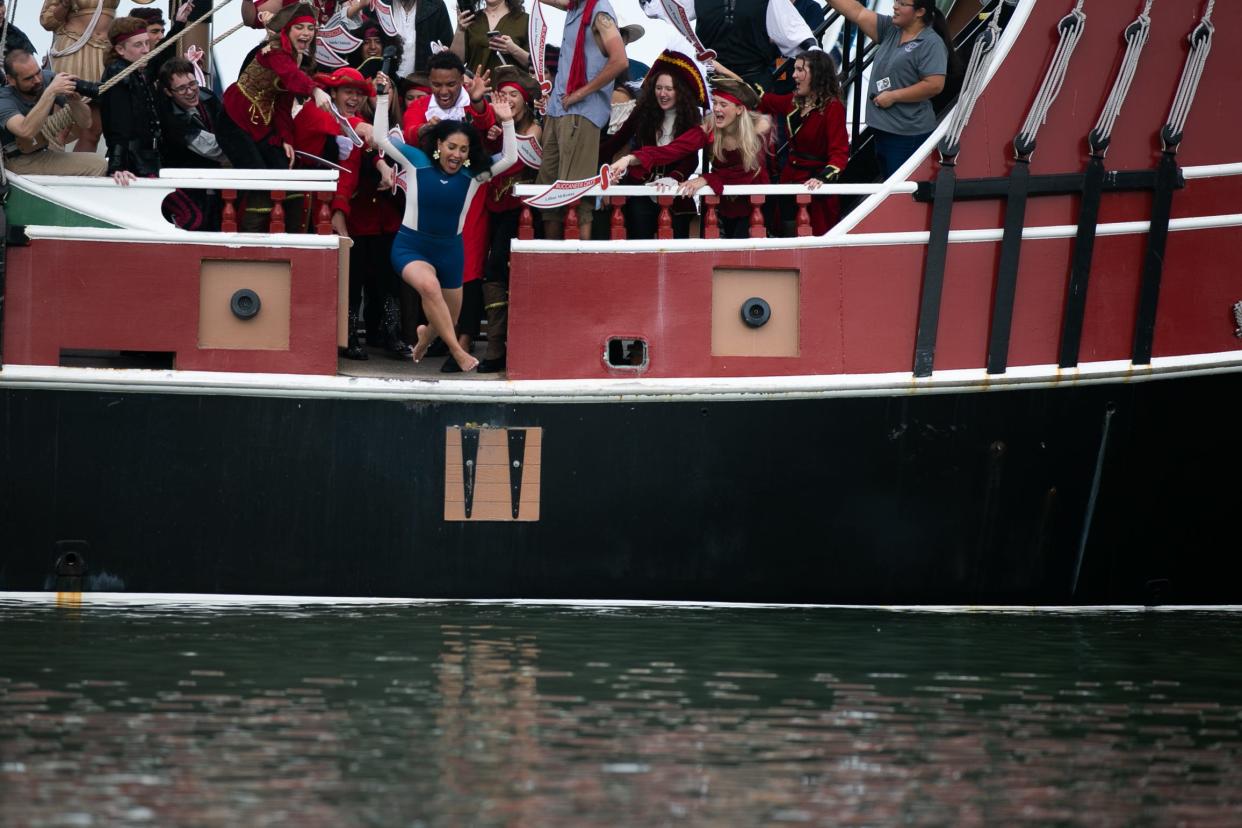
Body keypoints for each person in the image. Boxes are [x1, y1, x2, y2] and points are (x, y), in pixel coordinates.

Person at [371, 70, 518, 373]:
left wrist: (507, 121)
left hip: (451, 251)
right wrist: (383, 98)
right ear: (438, 145)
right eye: (451, 147)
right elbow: (382, 139)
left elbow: (509, 158)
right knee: (429, 287)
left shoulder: (473, 175)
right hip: (411, 246)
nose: (456, 154)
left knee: (447, 319)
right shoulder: (417, 162)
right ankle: (457, 351)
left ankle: (426, 336)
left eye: (463, 150)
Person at [219, 1, 331, 230]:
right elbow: (290, 76)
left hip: (260, 121)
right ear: (287, 30)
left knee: (286, 174)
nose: (306, 33)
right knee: (259, 181)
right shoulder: (274, 50)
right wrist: (315, 90)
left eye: (310, 28)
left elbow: (282, 106)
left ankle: (289, 240)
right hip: (233, 120)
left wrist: (287, 139)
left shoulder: (297, 58)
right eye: (300, 28)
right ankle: (251, 243)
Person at [534, 0, 629, 241]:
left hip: (581, 111)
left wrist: (580, 93)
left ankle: (577, 260)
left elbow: (620, 60)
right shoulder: (574, 7)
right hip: (558, 111)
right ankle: (552, 259)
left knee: (576, 193)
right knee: (549, 192)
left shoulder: (599, 11)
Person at [824, 0, 948, 178]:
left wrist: (894, 96)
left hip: (906, 135)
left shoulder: (931, 43)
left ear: (920, 12)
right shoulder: (891, 29)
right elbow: (857, 12)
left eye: (902, 3)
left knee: (899, 190)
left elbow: (934, 85)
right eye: (896, 1)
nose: (895, 6)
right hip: (884, 131)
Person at [477, 65, 541, 373]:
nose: (508, 99)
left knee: (505, 272)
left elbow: (522, 157)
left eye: (514, 94)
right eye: (503, 95)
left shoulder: (535, 129)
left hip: (524, 213)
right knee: (489, 272)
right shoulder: (498, 126)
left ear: (525, 100)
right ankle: (494, 344)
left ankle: (501, 346)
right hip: (493, 209)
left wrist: (505, 128)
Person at [605, 49, 708, 240]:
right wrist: (598, 167)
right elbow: (616, 142)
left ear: (680, 91)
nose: (663, 93)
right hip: (642, 189)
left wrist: (674, 178)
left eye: (669, 89)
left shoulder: (691, 120)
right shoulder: (642, 113)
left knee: (676, 250)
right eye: (658, 88)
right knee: (638, 243)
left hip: (676, 193)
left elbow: (690, 158)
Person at [759, 50, 848, 235]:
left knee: (812, 235)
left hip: (814, 185)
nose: (794, 75)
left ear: (817, 74)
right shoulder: (793, 102)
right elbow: (763, 101)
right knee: (786, 231)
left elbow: (839, 152)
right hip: (789, 180)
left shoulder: (833, 107)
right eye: (794, 69)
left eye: (800, 70)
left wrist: (823, 178)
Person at [678, 77, 771, 239]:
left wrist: (707, 178)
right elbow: (675, 149)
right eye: (715, 103)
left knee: (742, 251)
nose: (716, 108)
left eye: (723, 104)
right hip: (725, 202)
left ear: (739, 109)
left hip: (755, 202)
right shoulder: (710, 127)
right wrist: (631, 158)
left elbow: (744, 173)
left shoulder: (758, 127)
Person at [0, 48, 106, 175]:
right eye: (29, 78)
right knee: (98, 166)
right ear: (11, 80)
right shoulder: (4, 100)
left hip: (41, 153)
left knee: (99, 163)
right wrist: (51, 92)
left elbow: (86, 123)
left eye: (38, 72)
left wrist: (75, 101)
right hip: (15, 161)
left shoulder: (48, 79)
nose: (38, 80)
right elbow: (25, 131)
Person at [39, 0, 119, 152]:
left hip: (105, 51)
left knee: (95, 129)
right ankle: (55, 169)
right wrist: (65, 4)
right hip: (74, 48)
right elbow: (47, 21)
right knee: (63, 121)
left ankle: (82, 172)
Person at [156, 57, 225, 230]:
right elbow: (213, 149)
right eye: (181, 88)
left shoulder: (208, 97)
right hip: (187, 185)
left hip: (217, 180)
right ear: (168, 92)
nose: (190, 91)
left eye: (192, 84)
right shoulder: (169, 118)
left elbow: (228, 128)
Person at [99, 17, 162, 185]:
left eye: (147, 43)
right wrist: (116, 167)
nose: (145, 50)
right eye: (138, 45)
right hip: (132, 167)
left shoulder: (136, 71)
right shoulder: (119, 75)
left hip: (146, 160)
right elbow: (119, 125)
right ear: (120, 49)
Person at [451, 0, 530, 73]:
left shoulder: (525, 20)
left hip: (511, 86)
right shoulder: (471, 19)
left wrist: (513, 50)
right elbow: (454, 63)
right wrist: (460, 30)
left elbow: (536, 65)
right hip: (475, 86)